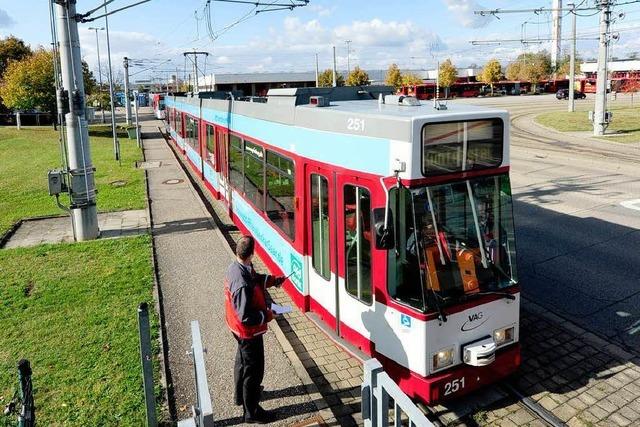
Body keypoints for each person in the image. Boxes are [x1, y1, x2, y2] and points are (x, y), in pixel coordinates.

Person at [224, 235, 286, 423]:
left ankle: (239, 395)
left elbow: (255, 279)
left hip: (236, 328)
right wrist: (268, 315)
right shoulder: (241, 284)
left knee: (242, 363)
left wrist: (273, 280)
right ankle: (251, 412)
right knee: (254, 371)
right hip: (248, 333)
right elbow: (246, 316)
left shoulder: (236, 268)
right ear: (252, 253)